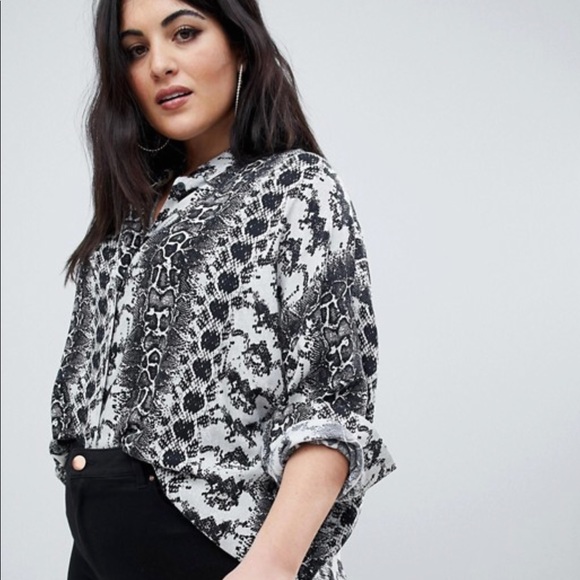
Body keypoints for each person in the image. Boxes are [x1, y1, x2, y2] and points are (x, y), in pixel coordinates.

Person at [49, 0, 396, 579]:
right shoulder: (126, 218)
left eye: (184, 33)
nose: (159, 64)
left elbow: (330, 404)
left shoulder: (294, 189)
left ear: (239, 43)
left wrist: (270, 566)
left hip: (226, 558)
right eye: (135, 50)